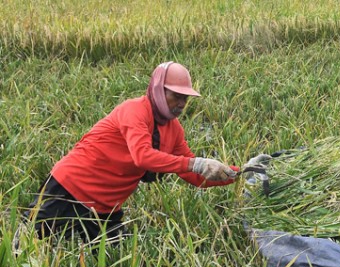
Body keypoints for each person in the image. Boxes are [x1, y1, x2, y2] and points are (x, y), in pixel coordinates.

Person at [29, 61, 239, 242]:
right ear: (158, 89)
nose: (182, 104)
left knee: (116, 258)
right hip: (69, 188)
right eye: (176, 96)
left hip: (104, 207)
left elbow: (195, 176)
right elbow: (143, 156)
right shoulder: (135, 111)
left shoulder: (173, 130)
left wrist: (241, 173)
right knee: (27, 246)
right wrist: (196, 163)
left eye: (185, 98)